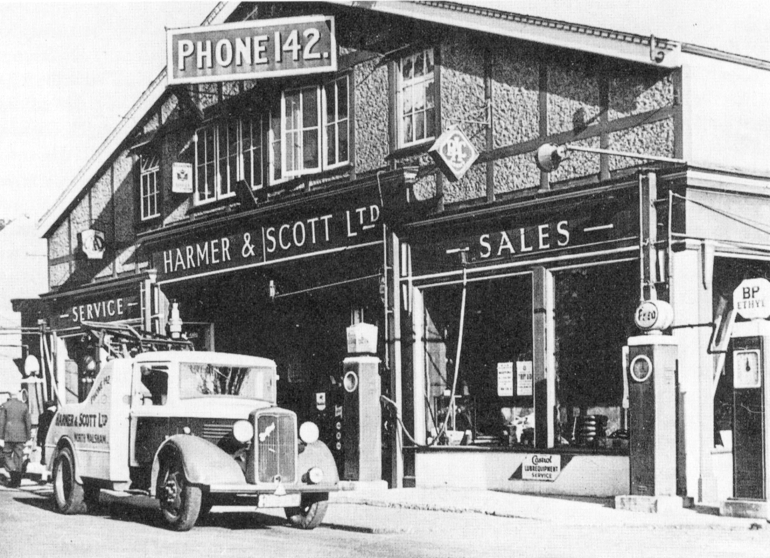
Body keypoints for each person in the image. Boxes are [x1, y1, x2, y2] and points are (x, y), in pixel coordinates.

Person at [0, 390, 32, 488]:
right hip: (21, 435)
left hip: (8, 434)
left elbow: (1, 422)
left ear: (9, 396)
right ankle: (16, 480)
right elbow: (28, 422)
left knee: (6, 455)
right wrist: (28, 436)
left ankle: (13, 470)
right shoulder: (24, 406)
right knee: (18, 456)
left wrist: (0, 436)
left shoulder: (5, 405)